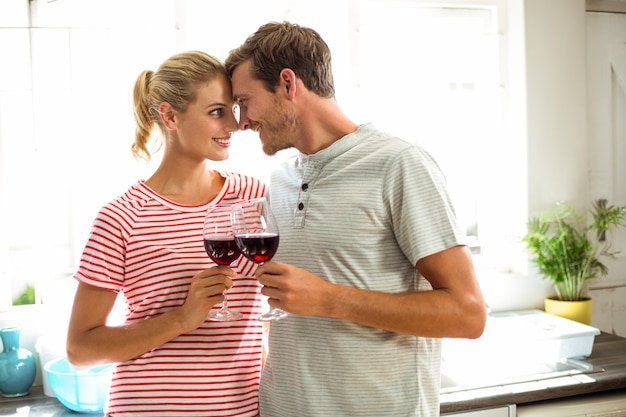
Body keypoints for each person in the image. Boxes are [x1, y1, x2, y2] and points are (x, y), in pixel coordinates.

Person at [225, 22, 487, 417]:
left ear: (287, 84)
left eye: (245, 100)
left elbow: (468, 314)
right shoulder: (279, 181)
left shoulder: (399, 165)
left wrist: (330, 299)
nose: (241, 121)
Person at [66, 51, 266, 417]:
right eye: (216, 112)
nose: (234, 126)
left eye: (233, 110)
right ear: (170, 116)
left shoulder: (253, 197)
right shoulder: (121, 216)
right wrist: (181, 318)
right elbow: (80, 350)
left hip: (241, 408)